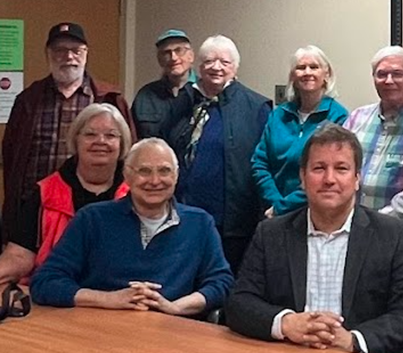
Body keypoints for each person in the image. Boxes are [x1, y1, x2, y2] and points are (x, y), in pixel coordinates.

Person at [226, 125, 403, 353]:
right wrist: (286, 323)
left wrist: (353, 340)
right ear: (302, 178)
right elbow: (239, 302)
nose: (329, 179)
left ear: (356, 179)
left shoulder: (392, 235)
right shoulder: (271, 233)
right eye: (319, 168)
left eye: (341, 169)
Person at [30, 138, 233, 317]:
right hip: (98, 333)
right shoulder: (92, 219)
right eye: (144, 171)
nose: (155, 181)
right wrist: (109, 300)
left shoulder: (200, 223)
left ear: (176, 176)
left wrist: (175, 307)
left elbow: (221, 283)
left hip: (173, 334)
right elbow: (45, 282)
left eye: (164, 171)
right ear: (127, 176)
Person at [2, 22, 134, 242]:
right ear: (48, 54)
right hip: (37, 210)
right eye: (60, 50)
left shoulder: (109, 98)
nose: (69, 56)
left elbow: (128, 152)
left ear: (86, 53)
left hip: (94, 204)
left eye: (76, 50)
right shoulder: (28, 100)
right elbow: (11, 156)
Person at [165, 34, 271, 273]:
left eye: (225, 62)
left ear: (236, 68)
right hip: (183, 215)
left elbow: (264, 163)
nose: (216, 67)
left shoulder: (256, 107)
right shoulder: (183, 103)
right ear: (199, 67)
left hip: (233, 224)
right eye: (209, 61)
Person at [0, 103, 131, 290]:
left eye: (110, 135)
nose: (100, 141)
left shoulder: (137, 194)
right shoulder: (44, 193)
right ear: (76, 140)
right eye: (90, 134)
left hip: (120, 297)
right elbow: (19, 256)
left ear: (122, 143)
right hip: (55, 298)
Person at [343, 45, 403, 225]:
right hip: (351, 220)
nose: (389, 81)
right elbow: (340, 167)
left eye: (397, 74)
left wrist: (383, 218)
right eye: (381, 74)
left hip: (400, 225)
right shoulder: (356, 118)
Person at [251, 45, 349, 217]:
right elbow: (260, 163)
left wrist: (284, 207)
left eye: (314, 67)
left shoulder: (338, 117)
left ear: (326, 75)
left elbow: (329, 173)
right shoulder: (278, 115)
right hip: (271, 212)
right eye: (301, 67)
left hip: (316, 213)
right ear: (293, 76)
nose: (307, 72)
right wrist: (275, 202)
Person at [132, 29, 195, 139]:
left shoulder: (205, 92)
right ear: (159, 60)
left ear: (191, 56)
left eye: (179, 50)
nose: (173, 58)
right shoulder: (145, 96)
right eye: (166, 53)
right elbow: (133, 137)